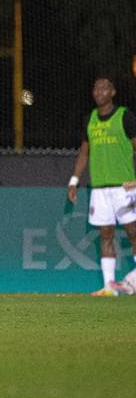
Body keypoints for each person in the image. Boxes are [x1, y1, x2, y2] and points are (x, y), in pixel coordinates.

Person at [66, 72, 136, 296]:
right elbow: (84, 154)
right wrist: (74, 181)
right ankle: (109, 287)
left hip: (124, 187)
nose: (99, 92)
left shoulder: (125, 116)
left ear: (113, 92)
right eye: (96, 89)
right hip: (99, 189)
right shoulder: (90, 119)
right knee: (105, 235)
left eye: (104, 88)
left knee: (133, 232)